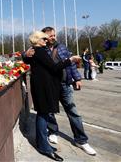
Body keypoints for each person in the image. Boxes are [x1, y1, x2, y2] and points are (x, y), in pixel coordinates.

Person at [24, 27, 97, 156]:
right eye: (47, 37)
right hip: (48, 86)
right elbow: (30, 59)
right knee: (48, 112)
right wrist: (25, 54)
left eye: (53, 36)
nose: (51, 38)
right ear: (39, 38)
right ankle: (51, 134)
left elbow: (71, 65)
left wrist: (77, 78)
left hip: (63, 84)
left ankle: (81, 140)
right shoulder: (38, 50)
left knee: (71, 111)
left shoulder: (61, 47)